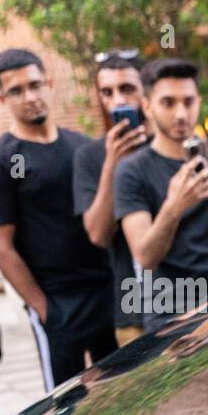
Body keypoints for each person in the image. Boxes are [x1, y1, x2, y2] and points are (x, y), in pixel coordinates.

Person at [0, 48, 115, 389]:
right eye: (17, 90)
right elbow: (0, 247)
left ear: (49, 84)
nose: (30, 97)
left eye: (35, 85)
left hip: (108, 292)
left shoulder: (81, 147)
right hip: (57, 302)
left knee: (124, 391)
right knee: (67, 408)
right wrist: (44, 310)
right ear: (1, 98)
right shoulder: (0, 161)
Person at [114, 58, 208, 333]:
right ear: (147, 106)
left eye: (189, 102)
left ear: (199, 102)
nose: (181, 113)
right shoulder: (132, 171)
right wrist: (174, 206)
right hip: (171, 318)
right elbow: (145, 258)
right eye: (168, 103)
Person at [73, 53, 152, 347]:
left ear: (146, 90)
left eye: (127, 88)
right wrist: (111, 164)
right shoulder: (90, 157)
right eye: (107, 92)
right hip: (133, 310)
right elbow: (98, 234)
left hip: (189, 294)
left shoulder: (169, 146)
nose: (118, 100)